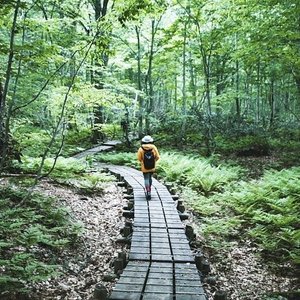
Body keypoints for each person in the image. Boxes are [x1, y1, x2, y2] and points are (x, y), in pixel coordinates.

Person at [137, 135, 160, 200]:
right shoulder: (154, 147)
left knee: (146, 178)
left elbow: (139, 158)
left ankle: (148, 191)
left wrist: (142, 162)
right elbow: (157, 157)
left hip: (144, 167)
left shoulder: (141, 148)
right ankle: (149, 190)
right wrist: (154, 161)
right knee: (150, 178)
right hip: (152, 166)